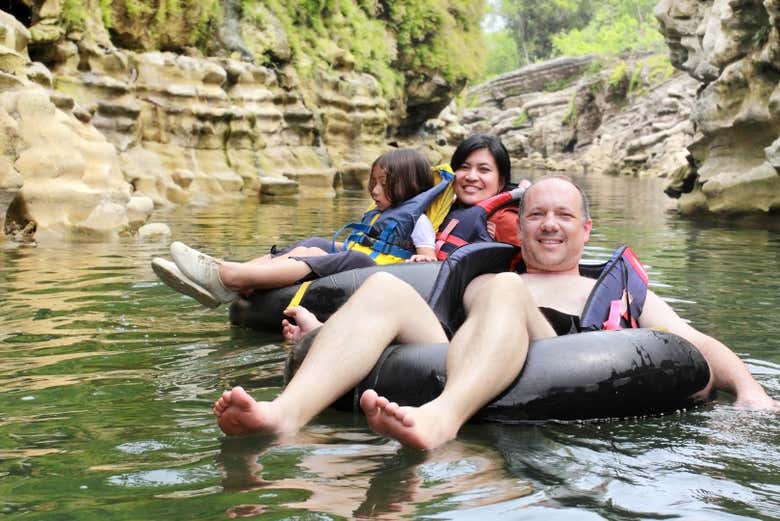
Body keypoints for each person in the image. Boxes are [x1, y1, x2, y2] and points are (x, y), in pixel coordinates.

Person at [213, 175, 778, 450]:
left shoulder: (618, 291)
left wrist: (750, 392)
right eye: (536, 215)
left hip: (563, 357)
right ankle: (282, 416)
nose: (549, 224)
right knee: (387, 288)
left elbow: (692, 343)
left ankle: (443, 416)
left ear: (586, 230)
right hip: (464, 345)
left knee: (504, 291)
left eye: (563, 215)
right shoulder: (489, 272)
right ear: (519, 225)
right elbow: (421, 333)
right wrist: (318, 337)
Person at [152, 148, 443, 308]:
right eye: (374, 182)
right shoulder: (382, 215)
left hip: (381, 274)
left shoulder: (417, 220)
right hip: (368, 259)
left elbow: (426, 256)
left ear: (409, 185)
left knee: (353, 257)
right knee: (315, 242)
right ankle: (226, 275)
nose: (375, 191)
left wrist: (423, 256)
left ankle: (229, 276)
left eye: (385, 184)